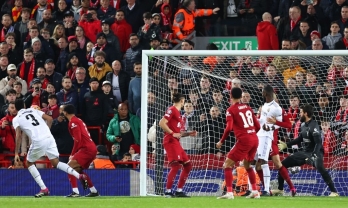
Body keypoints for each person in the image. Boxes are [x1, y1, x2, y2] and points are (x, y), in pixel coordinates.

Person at [12, 99, 86, 197]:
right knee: (56, 162)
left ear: (15, 108)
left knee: (29, 162)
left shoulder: (16, 118)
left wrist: (16, 153)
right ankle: (79, 175)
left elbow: (18, 135)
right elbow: (50, 119)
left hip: (38, 140)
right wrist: (47, 132)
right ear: (24, 105)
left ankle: (44, 188)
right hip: (49, 137)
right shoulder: (34, 110)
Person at [275, 105, 339, 197]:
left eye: (301, 112)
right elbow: (300, 138)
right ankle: (280, 189)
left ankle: (334, 192)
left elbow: (318, 143)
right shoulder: (303, 125)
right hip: (304, 152)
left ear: (305, 113)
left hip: (315, 152)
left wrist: (314, 155)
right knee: (282, 164)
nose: (299, 114)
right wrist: (287, 144)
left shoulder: (314, 125)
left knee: (321, 168)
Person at [216, 87, 260, 199]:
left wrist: (221, 141)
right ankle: (255, 192)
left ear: (230, 96)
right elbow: (258, 126)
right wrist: (251, 135)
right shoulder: (248, 108)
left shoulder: (231, 110)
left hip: (244, 140)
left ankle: (230, 193)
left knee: (227, 164)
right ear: (241, 96)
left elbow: (229, 128)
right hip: (254, 139)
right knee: (247, 165)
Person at [255, 95, 296, 197]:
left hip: (271, 140)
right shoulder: (263, 108)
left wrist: (275, 122)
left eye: (274, 98)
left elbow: (289, 125)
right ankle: (267, 189)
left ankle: (292, 187)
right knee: (258, 166)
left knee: (277, 164)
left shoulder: (280, 111)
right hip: (261, 139)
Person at [159, 92, 197, 197]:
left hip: (175, 141)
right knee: (175, 166)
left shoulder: (178, 113)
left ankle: (179, 191)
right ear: (182, 101)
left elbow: (178, 134)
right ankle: (168, 192)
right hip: (170, 141)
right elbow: (161, 123)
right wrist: (172, 133)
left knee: (188, 165)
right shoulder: (172, 110)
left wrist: (189, 133)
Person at [62, 104, 99, 197]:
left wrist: (72, 154)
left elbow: (77, 139)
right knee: (77, 170)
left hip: (86, 149)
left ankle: (75, 192)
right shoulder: (78, 120)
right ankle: (94, 191)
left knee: (69, 167)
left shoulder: (73, 122)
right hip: (91, 148)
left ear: (65, 112)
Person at [253, 85, 282, 196]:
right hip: (259, 135)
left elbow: (279, 124)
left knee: (264, 161)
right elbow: (262, 120)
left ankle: (266, 189)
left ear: (266, 93)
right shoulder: (264, 105)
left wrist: (269, 128)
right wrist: (256, 120)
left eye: (263, 92)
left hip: (266, 136)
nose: (262, 93)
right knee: (253, 161)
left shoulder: (276, 107)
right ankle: (252, 189)